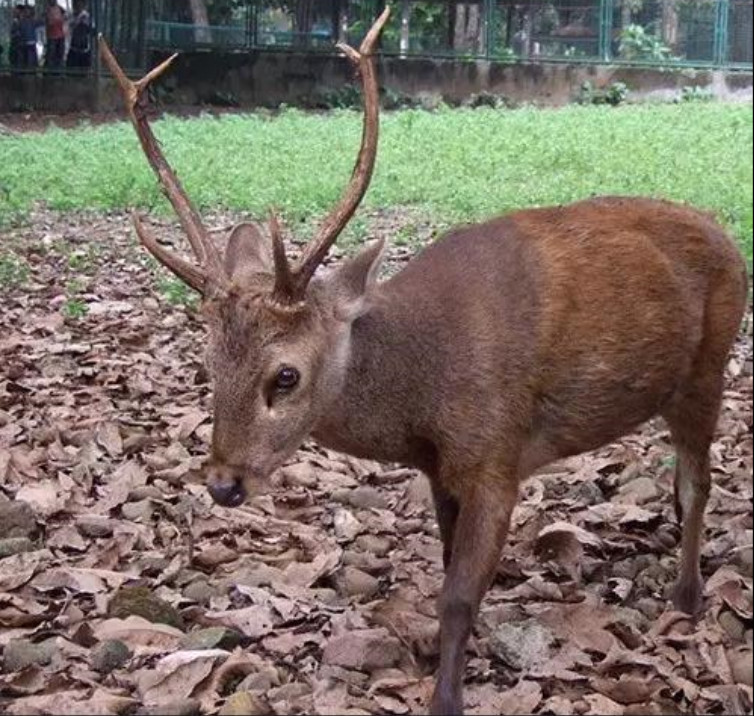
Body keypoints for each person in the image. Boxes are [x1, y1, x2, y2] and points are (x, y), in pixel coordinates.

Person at [67, 0, 92, 69]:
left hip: (84, 49)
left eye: (80, 4)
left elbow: (91, 29)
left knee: (84, 70)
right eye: (76, 4)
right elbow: (70, 27)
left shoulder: (87, 16)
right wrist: (77, 21)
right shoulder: (71, 15)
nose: (78, 6)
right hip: (74, 48)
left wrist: (84, 22)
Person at [44, 0, 66, 70]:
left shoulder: (60, 8)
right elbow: (48, 23)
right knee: (51, 55)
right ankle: (51, 72)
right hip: (52, 36)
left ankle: (59, 71)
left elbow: (65, 18)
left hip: (60, 35)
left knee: (60, 55)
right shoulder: (47, 10)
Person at [18, 5, 40, 69]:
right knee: (26, 59)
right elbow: (20, 31)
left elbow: (40, 23)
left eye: (28, 11)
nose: (27, 12)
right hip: (24, 43)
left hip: (32, 42)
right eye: (25, 11)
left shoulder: (33, 21)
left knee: (32, 59)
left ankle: (32, 71)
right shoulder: (21, 21)